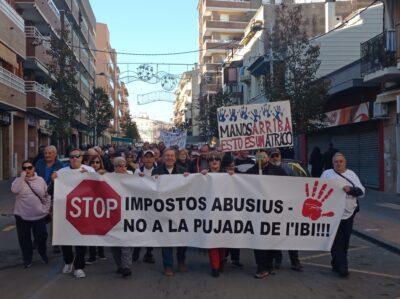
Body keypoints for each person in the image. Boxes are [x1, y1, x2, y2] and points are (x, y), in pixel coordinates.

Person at [52, 148, 95, 278]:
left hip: (83, 211)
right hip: (65, 211)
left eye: (77, 156)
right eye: (71, 156)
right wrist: (53, 179)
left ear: (82, 158)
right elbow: (54, 189)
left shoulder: (89, 170)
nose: (74, 158)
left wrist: (90, 175)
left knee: (80, 239)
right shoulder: (61, 172)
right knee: (65, 238)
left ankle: (79, 266)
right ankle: (68, 261)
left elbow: (97, 187)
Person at [321, 152, 365, 277]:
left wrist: (350, 189)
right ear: (332, 162)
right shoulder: (327, 174)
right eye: (336, 161)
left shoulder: (351, 174)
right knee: (336, 240)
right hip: (332, 214)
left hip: (349, 213)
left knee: (345, 241)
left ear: (344, 162)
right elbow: (319, 189)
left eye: (341, 161)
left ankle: (336, 263)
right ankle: (343, 267)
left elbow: (361, 191)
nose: (338, 163)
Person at [246, 149, 287, 279]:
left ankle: (269, 265)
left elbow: (289, 186)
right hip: (256, 213)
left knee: (270, 240)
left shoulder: (278, 171)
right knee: (258, 241)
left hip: (273, 212)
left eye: (263, 156)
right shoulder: (251, 172)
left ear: (268, 158)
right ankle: (261, 267)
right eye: (258, 157)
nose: (260, 159)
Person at [152, 148, 187, 276]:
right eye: (167, 155)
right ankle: (168, 265)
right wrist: (151, 179)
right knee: (166, 238)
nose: (170, 158)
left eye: (172, 155)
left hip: (180, 210)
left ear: (175, 158)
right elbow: (148, 188)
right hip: (164, 211)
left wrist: (189, 179)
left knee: (182, 237)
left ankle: (181, 260)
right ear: (162, 157)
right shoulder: (157, 171)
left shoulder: (183, 171)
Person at [269, 148, 303, 272]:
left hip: (289, 207)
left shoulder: (289, 169)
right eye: (272, 156)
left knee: (291, 234)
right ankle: (277, 259)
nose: (275, 158)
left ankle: (295, 261)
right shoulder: (266, 170)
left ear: (280, 156)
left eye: (277, 155)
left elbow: (299, 183)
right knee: (275, 234)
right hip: (274, 208)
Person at [11, 160, 51, 268]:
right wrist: (21, 178)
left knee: (42, 236)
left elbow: (46, 195)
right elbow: (14, 190)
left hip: (39, 215)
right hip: (22, 216)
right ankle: (27, 259)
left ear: (34, 168)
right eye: (25, 168)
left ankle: (42, 253)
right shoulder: (18, 181)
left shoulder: (40, 180)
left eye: (29, 168)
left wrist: (46, 209)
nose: (27, 170)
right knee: (24, 239)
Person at [201, 152, 234, 277]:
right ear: (208, 162)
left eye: (216, 159)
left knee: (222, 240)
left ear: (220, 162)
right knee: (212, 240)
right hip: (209, 213)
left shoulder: (227, 175)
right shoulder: (203, 175)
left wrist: (233, 176)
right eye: (211, 160)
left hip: (224, 213)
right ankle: (215, 266)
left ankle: (221, 259)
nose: (214, 162)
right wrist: (194, 177)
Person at [132, 150, 157, 264]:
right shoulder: (138, 171)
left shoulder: (159, 170)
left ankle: (149, 253)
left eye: (150, 157)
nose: (148, 159)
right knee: (140, 228)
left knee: (152, 229)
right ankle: (136, 249)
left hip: (154, 204)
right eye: (146, 157)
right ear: (142, 159)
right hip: (141, 204)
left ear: (154, 159)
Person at [111, 157, 134, 277]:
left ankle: (126, 266)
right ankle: (119, 265)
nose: (122, 168)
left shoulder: (131, 175)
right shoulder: (109, 177)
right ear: (114, 167)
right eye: (119, 165)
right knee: (115, 244)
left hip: (128, 213)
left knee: (126, 241)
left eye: (124, 165)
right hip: (113, 214)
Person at [221, 154, 243, 269]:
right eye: (229, 166)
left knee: (235, 234)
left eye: (233, 166)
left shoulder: (239, 173)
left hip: (236, 208)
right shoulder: (220, 174)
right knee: (225, 234)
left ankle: (235, 258)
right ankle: (223, 257)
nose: (232, 168)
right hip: (223, 209)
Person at [86, 155, 107, 264]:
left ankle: (101, 252)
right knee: (91, 231)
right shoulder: (84, 174)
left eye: (97, 162)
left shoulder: (105, 174)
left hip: (101, 207)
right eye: (93, 162)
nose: (95, 164)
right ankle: (92, 254)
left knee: (100, 230)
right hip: (88, 206)